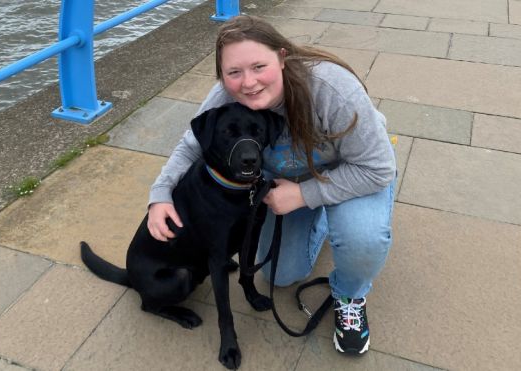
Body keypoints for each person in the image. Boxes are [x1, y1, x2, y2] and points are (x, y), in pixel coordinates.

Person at [147, 15, 396, 355]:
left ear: (281, 56)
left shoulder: (331, 89)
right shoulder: (227, 95)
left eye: (258, 66)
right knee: (280, 276)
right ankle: (324, 219)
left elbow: (378, 169)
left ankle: (349, 294)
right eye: (234, 72)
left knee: (362, 240)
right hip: (291, 182)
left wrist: (305, 195)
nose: (247, 82)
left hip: (353, 171)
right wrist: (160, 196)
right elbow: (191, 145)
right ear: (223, 75)